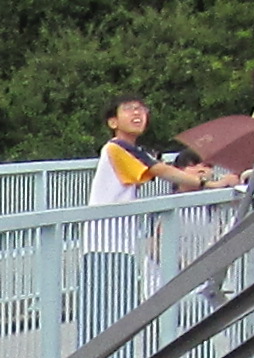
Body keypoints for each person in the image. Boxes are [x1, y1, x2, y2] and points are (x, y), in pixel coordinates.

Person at [84, 92, 227, 333]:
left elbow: (154, 168)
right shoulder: (116, 148)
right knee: (109, 323)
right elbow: (161, 170)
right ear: (113, 122)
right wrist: (208, 184)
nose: (138, 113)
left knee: (116, 320)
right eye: (129, 109)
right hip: (106, 243)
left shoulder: (130, 150)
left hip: (116, 242)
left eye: (142, 109)